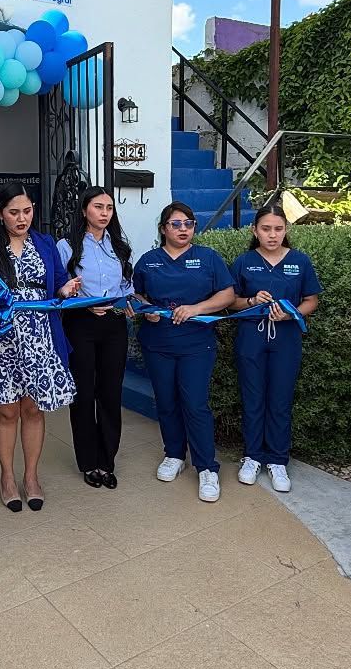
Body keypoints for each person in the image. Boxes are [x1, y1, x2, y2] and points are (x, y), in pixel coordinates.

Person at [0, 183, 81, 512]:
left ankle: (31, 477)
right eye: (14, 212)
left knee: (33, 409)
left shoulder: (44, 243)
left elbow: (58, 282)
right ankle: (7, 476)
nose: (22, 218)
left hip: (39, 337)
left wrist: (66, 288)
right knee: (6, 411)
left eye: (27, 211)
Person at [132, 202, 235, 503]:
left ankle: (207, 468)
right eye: (175, 224)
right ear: (163, 228)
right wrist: (145, 308)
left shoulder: (207, 258)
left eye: (188, 223)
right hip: (158, 343)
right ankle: (174, 455)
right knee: (166, 402)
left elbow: (227, 294)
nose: (182, 229)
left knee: (195, 403)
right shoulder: (148, 261)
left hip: (196, 344)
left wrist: (196, 309)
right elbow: (137, 293)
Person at [227, 202, 321, 493]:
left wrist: (292, 312)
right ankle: (253, 456)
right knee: (252, 398)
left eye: (278, 229)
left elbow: (312, 300)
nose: (272, 234)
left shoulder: (299, 261)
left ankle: (278, 460)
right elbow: (230, 301)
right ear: (255, 230)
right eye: (266, 229)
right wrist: (253, 301)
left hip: (286, 339)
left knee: (280, 400)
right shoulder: (244, 262)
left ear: (286, 230)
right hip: (251, 338)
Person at [56, 187, 133, 490]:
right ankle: (88, 462)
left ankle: (107, 460)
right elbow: (58, 285)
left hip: (113, 324)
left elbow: (127, 285)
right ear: (85, 209)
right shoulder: (67, 245)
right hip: (81, 324)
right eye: (98, 207)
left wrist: (126, 301)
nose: (105, 213)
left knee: (111, 393)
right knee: (84, 394)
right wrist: (73, 292)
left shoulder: (120, 246)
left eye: (110, 208)